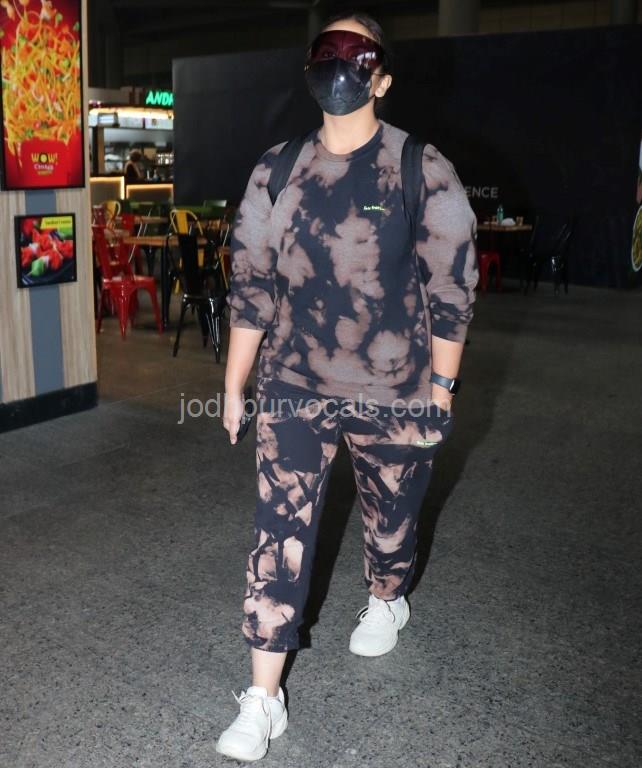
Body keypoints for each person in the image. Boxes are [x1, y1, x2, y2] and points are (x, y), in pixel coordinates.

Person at [218, 11, 478, 762]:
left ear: (381, 77)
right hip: (295, 383)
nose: (339, 63)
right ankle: (263, 698)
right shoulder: (276, 170)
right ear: (310, 67)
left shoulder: (419, 168)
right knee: (278, 532)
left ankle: (388, 596)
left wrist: (442, 390)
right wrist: (235, 384)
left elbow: (452, 289)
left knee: (391, 521)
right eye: (325, 50)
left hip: (394, 389)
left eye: (355, 52)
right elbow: (251, 285)